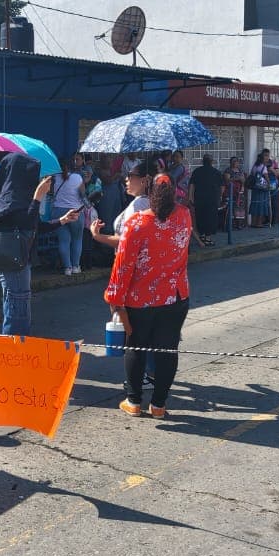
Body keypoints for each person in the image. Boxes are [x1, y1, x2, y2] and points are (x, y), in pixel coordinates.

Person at [104, 174, 192, 419]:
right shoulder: (184, 216)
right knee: (167, 350)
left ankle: (133, 401)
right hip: (175, 296)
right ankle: (159, 405)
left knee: (136, 347)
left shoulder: (137, 223)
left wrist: (115, 298)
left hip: (139, 299)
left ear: (149, 193)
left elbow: (123, 266)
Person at [0, 152, 79, 336]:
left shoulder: (12, 196)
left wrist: (62, 220)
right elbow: (26, 224)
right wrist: (37, 197)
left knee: (14, 302)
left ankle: (14, 343)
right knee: (17, 304)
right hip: (15, 260)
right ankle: (15, 346)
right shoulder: (11, 199)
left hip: (16, 258)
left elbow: (34, 226)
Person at [90, 161, 151, 250]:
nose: (126, 178)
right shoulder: (145, 201)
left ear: (144, 181)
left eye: (130, 175)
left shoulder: (139, 204)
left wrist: (97, 236)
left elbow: (127, 241)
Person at [52, 158, 87, 275]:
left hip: (58, 211)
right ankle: (76, 266)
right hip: (75, 211)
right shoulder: (77, 178)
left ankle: (67, 268)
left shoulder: (54, 178)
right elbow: (83, 194)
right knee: (77, 239)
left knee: (63, 241)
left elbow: (50, 193)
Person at [188, 155, 223, 246]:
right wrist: (220, 197)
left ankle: (202, 235)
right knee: (211, 218)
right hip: (212, 199)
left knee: (200, 217)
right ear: (212, 162)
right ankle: (208, 238)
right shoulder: (216, 172)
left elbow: (192, 185)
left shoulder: (197, 171)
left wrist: (190, 197)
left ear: (202, 161)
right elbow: (222, 186)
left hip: (199, 198)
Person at [248, 153, 272, 228]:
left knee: (254, 205)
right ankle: (259, 223)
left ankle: (253, 222)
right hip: (262, 189)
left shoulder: (254, 166)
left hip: (255, 188)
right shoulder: (263, 167)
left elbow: (252, 175)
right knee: (261, 205)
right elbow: (266, 177)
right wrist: (269, 185)